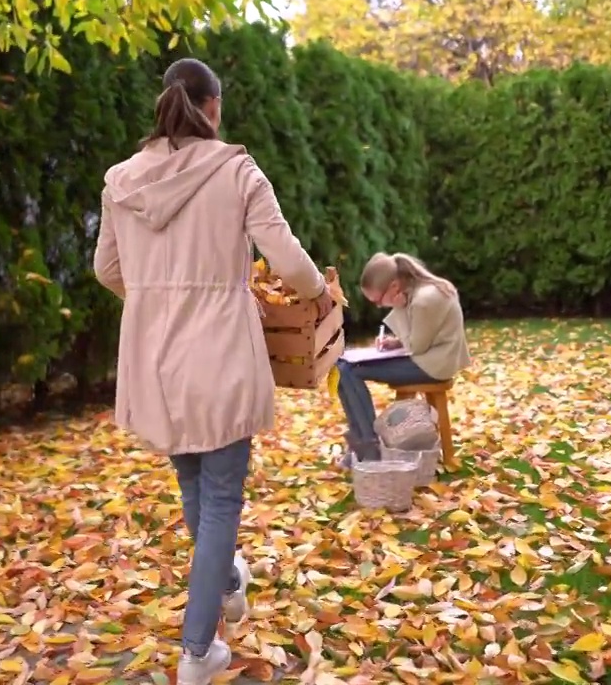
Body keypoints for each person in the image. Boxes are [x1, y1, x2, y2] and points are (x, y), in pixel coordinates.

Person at [93, 57, 332, 685]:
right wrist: (318, 296)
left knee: (197, 490)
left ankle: (227, 581)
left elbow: (106, 271)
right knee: (220, 497)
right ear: (214, 106)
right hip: (222, 350)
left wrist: (155, 295)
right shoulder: (237, 170)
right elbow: (288, 258)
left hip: (157, 360)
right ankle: (198, 651)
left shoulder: (121, 180)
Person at [335, 252, 471, 466]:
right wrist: (397, 342)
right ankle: (364, 444)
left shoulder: (424, 299)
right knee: (342, 366)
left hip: (434, 365)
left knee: (349, 370)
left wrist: (399, 309)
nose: (379, 306)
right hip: (430, 358)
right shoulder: (419, 291)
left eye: (378, 301)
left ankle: (369, 448)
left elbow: (417, 346)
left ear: (395, 287)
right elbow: (421, 335)